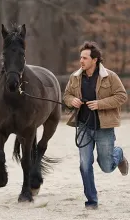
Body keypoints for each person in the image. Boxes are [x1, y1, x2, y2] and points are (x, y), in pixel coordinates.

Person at [63, 41, 128, 209]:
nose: (81, 61)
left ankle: (118, 154)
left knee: (106, 166)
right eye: (80, 58)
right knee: (85, 165)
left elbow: (122, 96)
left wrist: (100, 104)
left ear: (95, 60)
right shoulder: (75, 77)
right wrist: (72, 100)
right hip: (84, 127)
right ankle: (91, 201)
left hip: (104, 128)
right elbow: (67, 96)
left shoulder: (110, 76)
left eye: (85, 58)